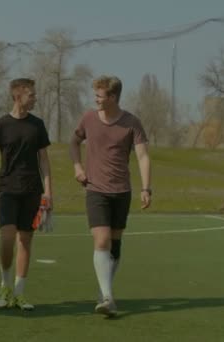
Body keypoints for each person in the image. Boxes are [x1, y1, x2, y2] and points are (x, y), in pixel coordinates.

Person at [69, 75, 151, 317]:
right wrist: (77, 167)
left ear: (113, 97)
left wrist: (146, 188)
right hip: (95, 189)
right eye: (95, 94)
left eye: (100, 95)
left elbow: (143, 156)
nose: (96, 99)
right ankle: (107, 297)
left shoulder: (132, 122)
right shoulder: (88, 118)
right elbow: (73, 142)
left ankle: (106, 290)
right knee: (102, 240)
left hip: (121, 191)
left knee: (114, 246)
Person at [0, 78, 53, 311]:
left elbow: (44, 161)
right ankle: (4, 284)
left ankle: (19, 292)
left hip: (32, 191)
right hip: (7, 189)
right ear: (18, 96)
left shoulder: (38, 125)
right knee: (7, 238)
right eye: (31, 95)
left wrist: (48, 193)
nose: (35, 98)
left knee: (25, 240)